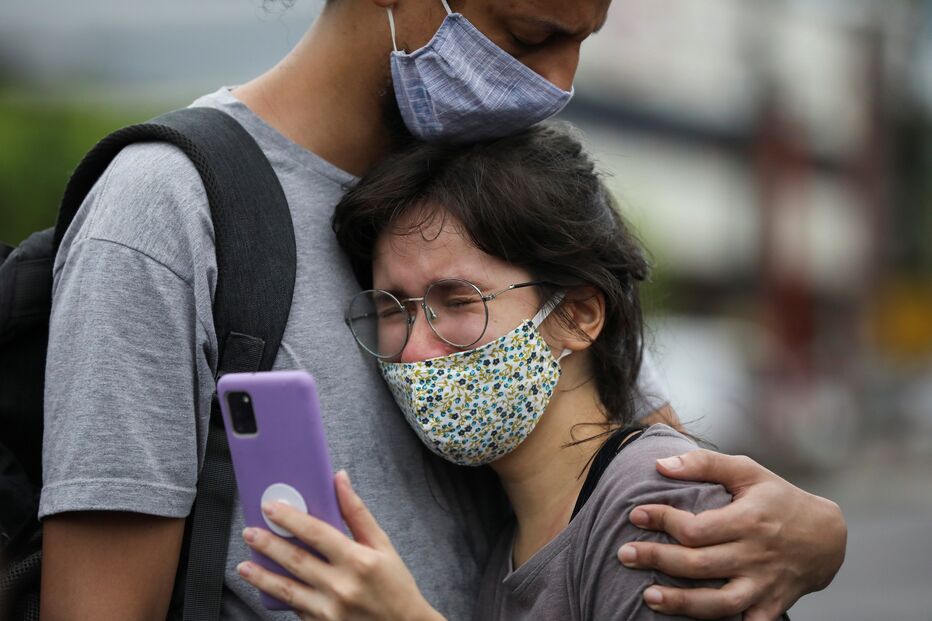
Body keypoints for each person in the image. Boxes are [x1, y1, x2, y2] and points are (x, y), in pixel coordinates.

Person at [39, 0, 846, 619]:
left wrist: (815, 534)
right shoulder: (167, 208)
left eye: (581, 42)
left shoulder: (505, 194)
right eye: (530, 37)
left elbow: (643, 473)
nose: (558, 84)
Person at [234, 122, 744, 620]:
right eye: (392, 310)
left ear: (578, 315)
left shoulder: (659, 507)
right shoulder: (508, 535)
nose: (415, 350)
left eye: (457, 301)